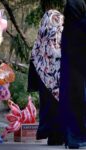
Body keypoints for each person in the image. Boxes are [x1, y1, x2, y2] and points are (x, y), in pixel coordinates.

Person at [28, 0, 64, 145]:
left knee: (48, 109)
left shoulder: (40, 37)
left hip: (44, 80)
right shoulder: (59, 33)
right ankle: (60, 135)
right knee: (59, 108)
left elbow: (34, 58)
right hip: (59, 79)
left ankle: (51, 136)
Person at [59, 0, 86, 148]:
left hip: (68, 75)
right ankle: (79, 137)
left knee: (70, 105)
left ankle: (71, 139)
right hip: (81, 74)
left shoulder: (66, 29)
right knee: (81, 104)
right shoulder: (83, 25)